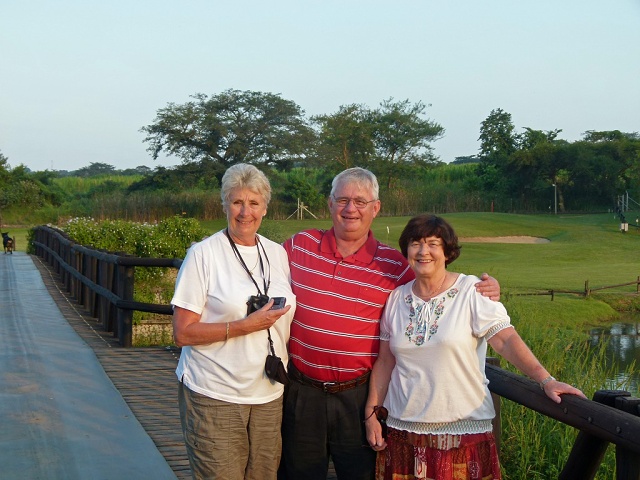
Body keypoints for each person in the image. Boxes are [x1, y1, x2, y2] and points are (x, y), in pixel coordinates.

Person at [280, 167, 501, 480]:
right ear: (330, 204)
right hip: (303, 390)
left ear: (376, 208)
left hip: (358, 396)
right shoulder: (299, 246)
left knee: (360, 474)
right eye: (342, 200)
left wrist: (486, 290)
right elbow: (258, 272)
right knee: (297, 474)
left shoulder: (394, 266)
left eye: (360, 201)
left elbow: (436, 284)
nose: (350, 208)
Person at [364, 214, 586, 480]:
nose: (424, 251)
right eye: (416, 243)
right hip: (403, 432)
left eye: (433, 244)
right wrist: (371, 411)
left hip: (463, 435)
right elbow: (386, 361)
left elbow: (505, 339)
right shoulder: (396, 299)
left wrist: (546, 379)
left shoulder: (472, 291)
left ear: (448, 252)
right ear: (407, 250)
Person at [171, 163, 296, 480]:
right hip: (216, 394)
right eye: (237, 202)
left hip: (268, 394)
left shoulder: (277, 253)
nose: (245, 212)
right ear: (224, 204)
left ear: (265, 208)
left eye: (253, 203)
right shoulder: (203, 255)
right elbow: (182, 333)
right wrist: (245, 325)